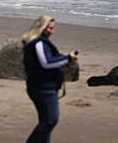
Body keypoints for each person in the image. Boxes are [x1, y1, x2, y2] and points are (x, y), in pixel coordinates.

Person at [22, 15, 78, 143]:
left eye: (52, 29)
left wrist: (62, 61)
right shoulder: (38, 42)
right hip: (42, 88)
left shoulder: (39, 42)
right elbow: (46, 62)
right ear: (41, 27)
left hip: (44, 87)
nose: (51, 31)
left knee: (46, 122)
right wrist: (67, 58)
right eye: (49, 28)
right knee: (50, 121)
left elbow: (46, 61)